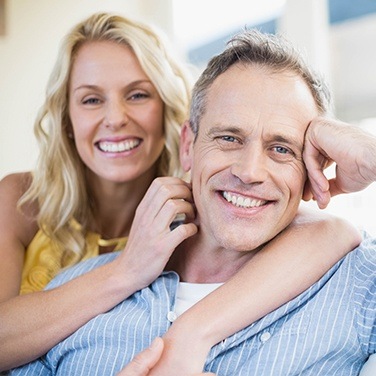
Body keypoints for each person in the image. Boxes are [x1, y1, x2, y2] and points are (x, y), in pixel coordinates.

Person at [0, 12, 361, 374]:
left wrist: (190, 334)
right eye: (91, 100)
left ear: (170, 116)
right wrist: (127, 271)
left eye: (137, 94)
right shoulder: (24, 202)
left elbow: (333, 232)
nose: (115, 118)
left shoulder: (344, 271)